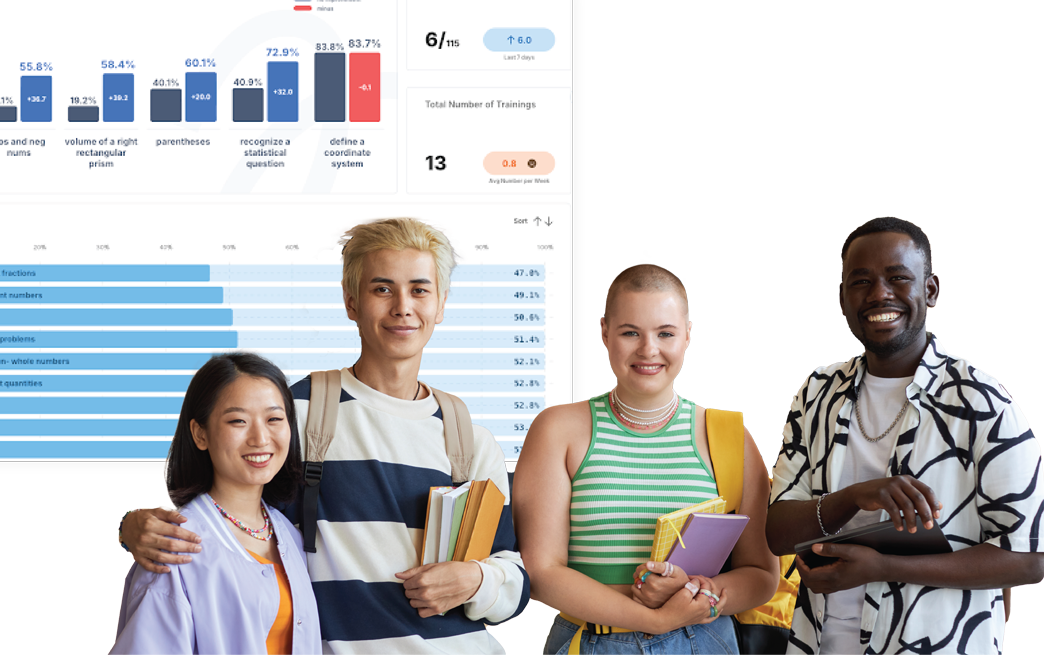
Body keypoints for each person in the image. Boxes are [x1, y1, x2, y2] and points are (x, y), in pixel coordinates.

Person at [120, 218, 528, 654]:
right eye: (382, 289)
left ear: (441, 304)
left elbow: (515, 583)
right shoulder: (294, 415)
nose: (403, 307)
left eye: (420, 290)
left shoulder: (468, 437)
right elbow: (204, 516)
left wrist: (478, 579)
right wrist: (132, 527)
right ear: (351, 301)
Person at [766, 217, 1044, 655]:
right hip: (818, 644)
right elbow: (779, 533)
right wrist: (856, 496)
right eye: (861, 281)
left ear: (930, 290)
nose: (880, 293)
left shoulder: (983, 402)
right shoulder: (817, 393)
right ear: (842, 299)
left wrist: (881, 567)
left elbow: (1028, 560)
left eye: (898, 277)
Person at [514, 263, 780, 654]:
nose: (648, 350)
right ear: (603, 333)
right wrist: (655, 619)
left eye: (665, 333)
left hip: (703, 640)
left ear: (687, 335)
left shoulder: (729, 436)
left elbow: (761, 575)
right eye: (630, 333)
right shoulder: (558, 430)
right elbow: (541, 571)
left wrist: (698, 591)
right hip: (592, 640)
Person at [111, 353, 320, 654]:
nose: (260, 438)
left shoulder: (289, 533)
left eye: (274, 419)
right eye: (238, 421)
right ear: (200, 434)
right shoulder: (174, 547)